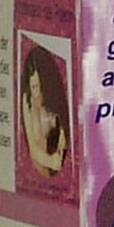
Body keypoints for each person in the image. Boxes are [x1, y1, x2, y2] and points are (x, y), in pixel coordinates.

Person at [21, 46, 70, 178]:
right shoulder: (27, 102)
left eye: (40, 86)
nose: (37, 92)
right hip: (42, 169)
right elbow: (33, 149)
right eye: (34, 87)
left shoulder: (52, 97)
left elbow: (63, 131)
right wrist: (51, 162)